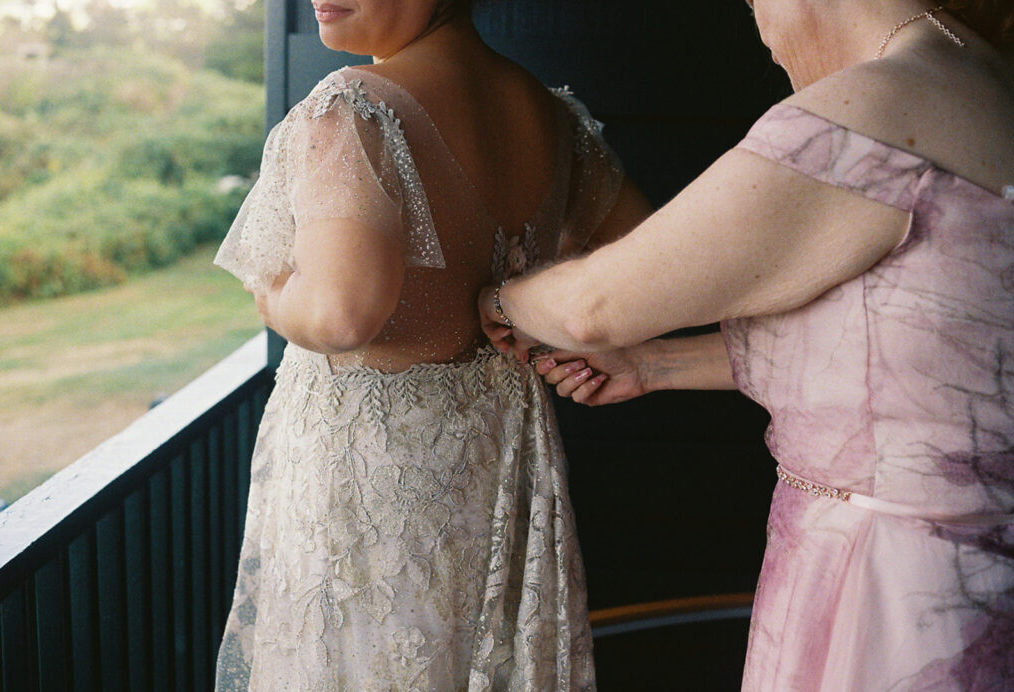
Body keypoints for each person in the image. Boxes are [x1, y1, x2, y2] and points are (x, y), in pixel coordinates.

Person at [480, 0, 1014, 688]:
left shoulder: (867, 116)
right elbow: (921, 355)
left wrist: (500, 299)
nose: (762, 29)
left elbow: (596, 307)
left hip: (894, 594)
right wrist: (655, 365)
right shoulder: (987, 81)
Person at [212, 0, 650, 688]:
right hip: (497, 465)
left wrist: (269, 290)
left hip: (369, 494)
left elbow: (339, 314)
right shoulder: (545, 112)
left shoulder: (353, 107)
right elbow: (643, 258)